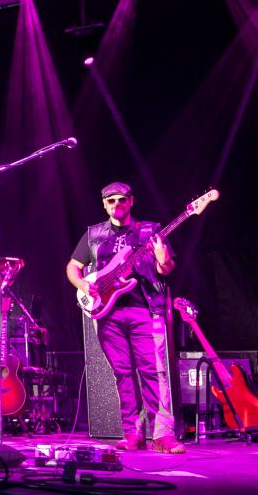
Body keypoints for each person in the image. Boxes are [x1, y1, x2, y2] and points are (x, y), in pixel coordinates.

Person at [66, 182, 185, 454]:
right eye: (111, 201)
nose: (116, 205)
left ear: (131, 201)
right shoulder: (94, 234)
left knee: (154, 372)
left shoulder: (150, 231)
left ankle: (162, 435)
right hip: (108, 314)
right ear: (104, 205)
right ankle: (132, 433)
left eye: (121, 200)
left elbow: (165, 270)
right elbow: (72, 267)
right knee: (122, 375)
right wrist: (83, 285)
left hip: (145, 309)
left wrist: (162, 258)